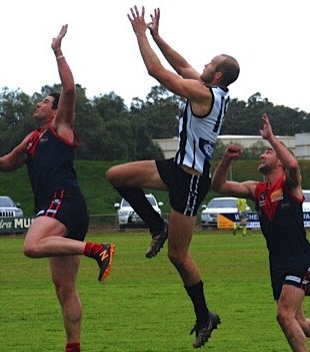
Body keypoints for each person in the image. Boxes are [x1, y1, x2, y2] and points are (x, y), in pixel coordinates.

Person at [105, 6, 239, 348]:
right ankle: (156, 226)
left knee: (178, 255)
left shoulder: (204, 94)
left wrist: (137, 34)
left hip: (191, 181)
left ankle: (204, 316)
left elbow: (157, 72)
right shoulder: (212, 89)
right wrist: (156, 35)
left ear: (218, 76)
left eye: (210, 64)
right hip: (175, 166)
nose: (203, 65)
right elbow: (180, 65)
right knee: (116, 176)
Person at [0, 25, 114, 352]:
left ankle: (98, 249)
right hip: (64, 209)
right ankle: (74, 347)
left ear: (54, 110)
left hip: (62, 201)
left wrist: (57, 50)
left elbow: (69, 89)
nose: (38, 104)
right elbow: (10, 162)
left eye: (42, 102)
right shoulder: (33, 138)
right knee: (64, 287)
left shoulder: (60, 127)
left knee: (30, 246)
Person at [211, 114, 310, 352]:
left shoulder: (290, 184)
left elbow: (292, 165)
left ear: (279, 160)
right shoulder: (256, 190)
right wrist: (226, 160)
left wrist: (271, 137)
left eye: (268, 152)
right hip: (278, 263)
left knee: (283, 315)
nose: (262, 154)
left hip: (299, 260)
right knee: (299, 322)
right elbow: (218, 186)